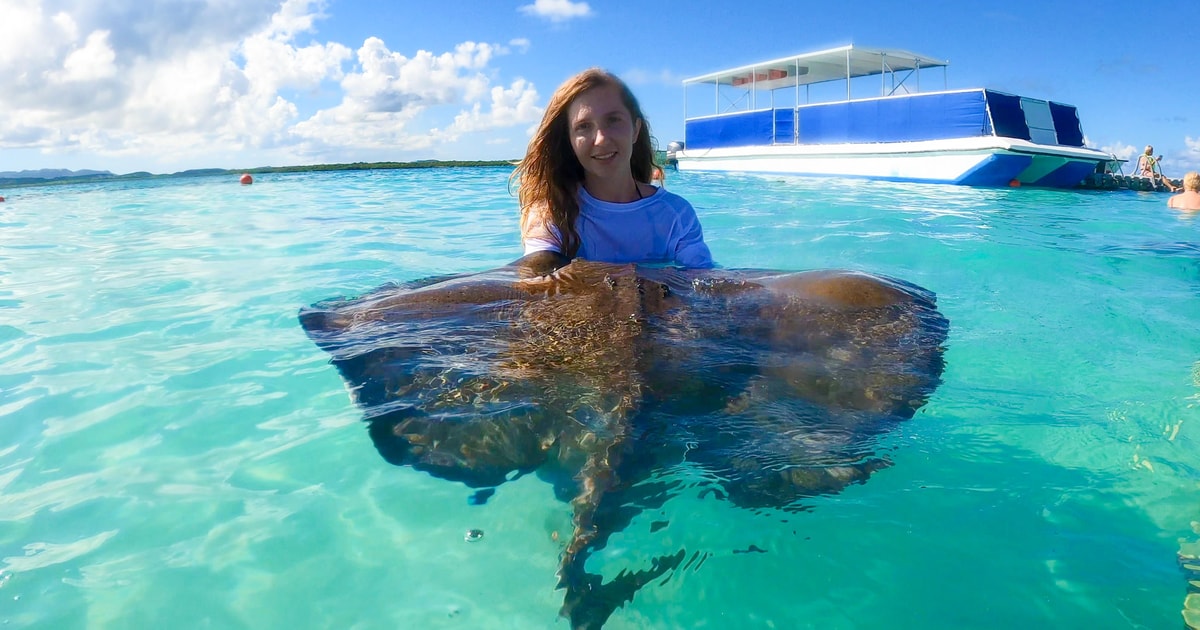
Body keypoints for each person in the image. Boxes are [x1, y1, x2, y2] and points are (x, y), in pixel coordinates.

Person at [513, 68, 712, 268]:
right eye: (583, 126)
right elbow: (536, 279)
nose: (601, 139)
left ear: (635, 129)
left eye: (613, 120)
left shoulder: (676, 215)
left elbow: (702, 283)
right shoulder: (552, 211)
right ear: (570, 141)